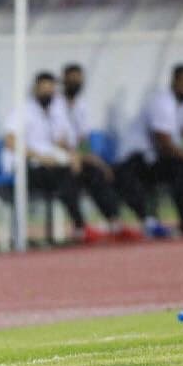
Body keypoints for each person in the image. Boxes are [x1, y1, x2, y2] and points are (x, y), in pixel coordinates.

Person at [1, 71, 128, 243]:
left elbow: (64, 142)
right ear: (35, 89)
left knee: (92, 172)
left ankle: (114, 222)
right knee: (65, 176)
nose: (48, 93)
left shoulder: (55, 113)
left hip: (55, 164)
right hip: (27, 167)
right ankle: (80, 227)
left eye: (51, 90)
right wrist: (40, 157)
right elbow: (10, 142)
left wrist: (76, 157)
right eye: (44, 89)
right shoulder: (23, 111)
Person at [52, 64, 140, 240]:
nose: (76, 83)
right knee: (69, 178)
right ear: (63, 80)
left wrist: (91, 159)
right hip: (58, 158)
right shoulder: (54, 105)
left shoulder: (81, 106)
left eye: (78, 80)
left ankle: (115, 222)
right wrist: (75, 156)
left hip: (78, 157)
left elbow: (82, 139)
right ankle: (79, 227)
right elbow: (57, 139)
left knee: (97, 173)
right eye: (72, 79)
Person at [114, 65, 183, 236]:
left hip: (155, 158)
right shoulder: (162, 102)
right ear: (174, 82)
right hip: (133, 158)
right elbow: (165, 144)